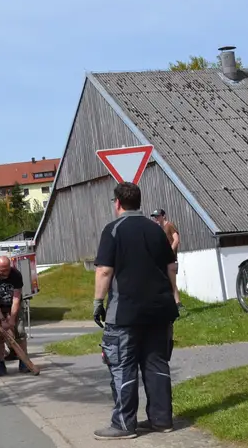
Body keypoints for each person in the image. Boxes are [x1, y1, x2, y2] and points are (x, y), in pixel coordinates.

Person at [92, 181, 179, 440]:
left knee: (122, 365)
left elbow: (105, 270)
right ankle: (162, 420)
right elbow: (170, 267)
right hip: (160, 310)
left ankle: (123, 424)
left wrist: (98, 302)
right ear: (139, 202)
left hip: (126, 312)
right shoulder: (156, 230)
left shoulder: (113, 230)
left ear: (117, 203)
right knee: (157, 364)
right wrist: (174, 296)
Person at [0, 256, 30, 374]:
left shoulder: (16, 275)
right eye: (2, 270)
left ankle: (23, 361)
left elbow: (16, 298)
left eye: (7, 269)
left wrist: (12, 318)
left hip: (13, 306)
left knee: (20, 332)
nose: (5, 273)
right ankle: (1, 363)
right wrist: (2, 319)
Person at [148, 209, 183, 308]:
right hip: (163, 258)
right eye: (155, 217)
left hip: (171, 259)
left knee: (172, 281)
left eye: (158, 216)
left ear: (163, 216)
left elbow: (176, 240)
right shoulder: (159, 229)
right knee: (165, 282)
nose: (156, 218)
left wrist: (170, 251)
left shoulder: (169, 225)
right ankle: (171, 303)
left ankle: (178, 303)